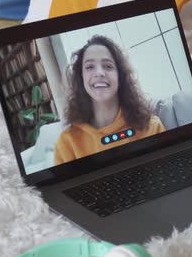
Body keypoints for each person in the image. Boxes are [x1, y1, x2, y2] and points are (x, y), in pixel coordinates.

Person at [54, 35, 165, 165]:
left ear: (120, 76)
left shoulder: (151, 126)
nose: (99, 73)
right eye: (90, 67)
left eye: (108, 66)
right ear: (81, 77)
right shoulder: (67, 143)